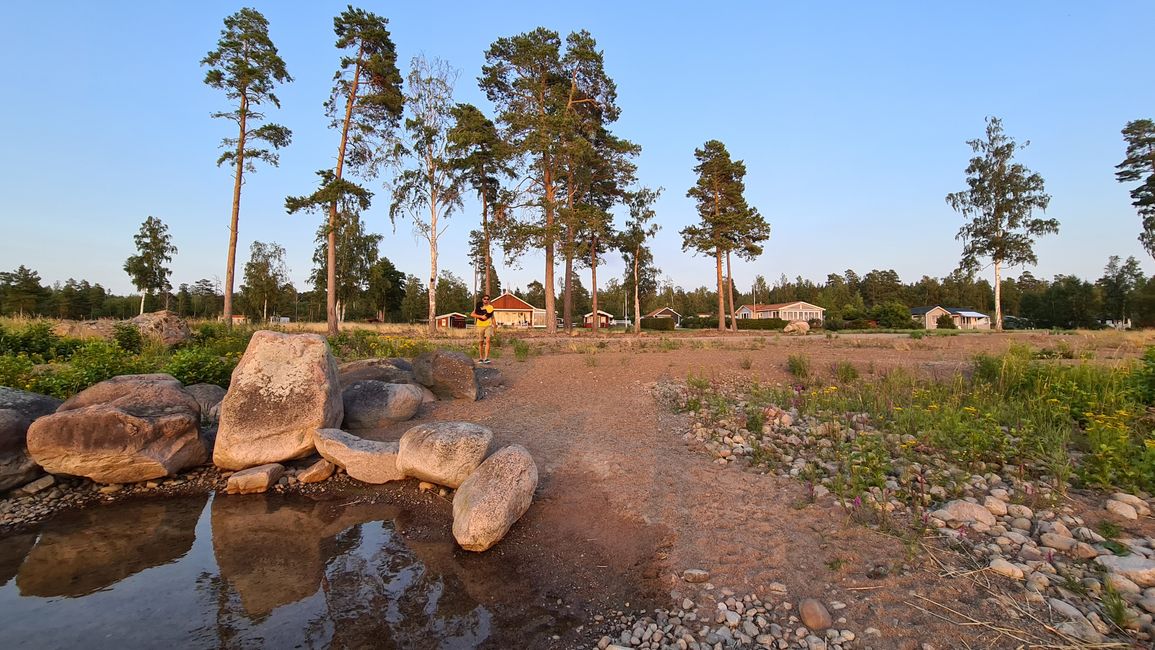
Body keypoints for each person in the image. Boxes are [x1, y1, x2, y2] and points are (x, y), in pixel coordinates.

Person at [471, 294, 495, 363]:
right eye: (485, 299)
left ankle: (486, 358)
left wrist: (495, 326)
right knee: (481, 342)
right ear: (482, 299)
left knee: (488, 340)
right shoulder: (479, 307)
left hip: (488, 325)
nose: (486, 300)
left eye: (487, 299)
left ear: (489, 300)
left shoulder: (491, 307)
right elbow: (472, 314)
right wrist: (481, 317)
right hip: (480, 326)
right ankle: (481, 358)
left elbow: (493, 317)